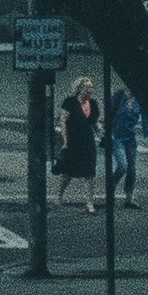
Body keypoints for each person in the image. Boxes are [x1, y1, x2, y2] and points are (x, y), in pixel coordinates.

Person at [56, 75, 103, 213]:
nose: (91, 91)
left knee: (89, 173)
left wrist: (101, 134)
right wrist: (65, 141)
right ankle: (59, 196)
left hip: (87, 141)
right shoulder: (70, 102)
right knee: (68, 172)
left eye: (91, 88)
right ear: (80, 89)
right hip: (73, 140)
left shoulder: (92, 104)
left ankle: (89, 203)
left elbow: (94, 123)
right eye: (88, 88)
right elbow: (63, 121)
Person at [107, 86, 145, 209]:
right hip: (116, 136)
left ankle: (129, 199)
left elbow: (145, 118)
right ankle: (110, 190)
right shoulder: (119, 95)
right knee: (122, 166)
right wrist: (107, 131)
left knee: (132, 169)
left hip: (130, 137)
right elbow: (110, 111)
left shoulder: (139, 100)